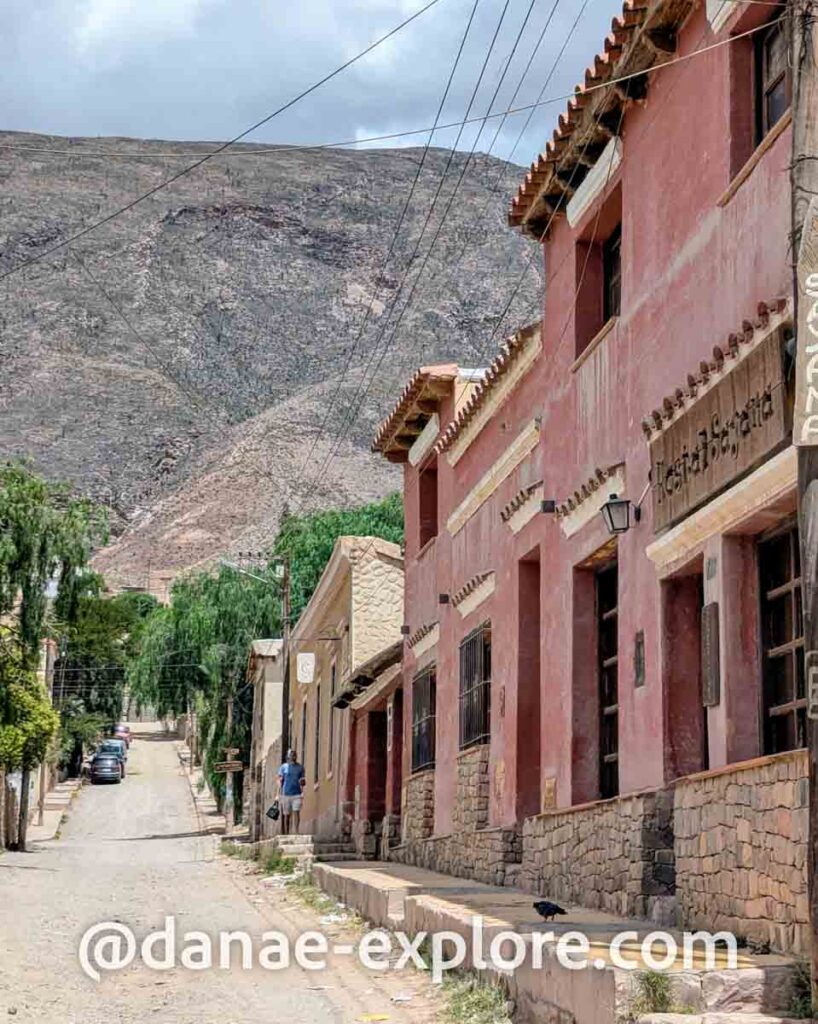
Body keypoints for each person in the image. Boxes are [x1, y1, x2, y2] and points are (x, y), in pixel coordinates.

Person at [277, 748, 306, 835]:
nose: (293, 756)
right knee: (287, 814)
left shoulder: (300, 768)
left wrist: (303, 786)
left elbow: (303, 780)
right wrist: (278, 793)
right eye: (291, 754)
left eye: (295, 754)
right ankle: (287, 833)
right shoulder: (283, 767)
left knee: (296, 811)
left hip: (297, 793)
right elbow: (280, 780)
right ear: (288, 756)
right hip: (286, 794)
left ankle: (296, 831)